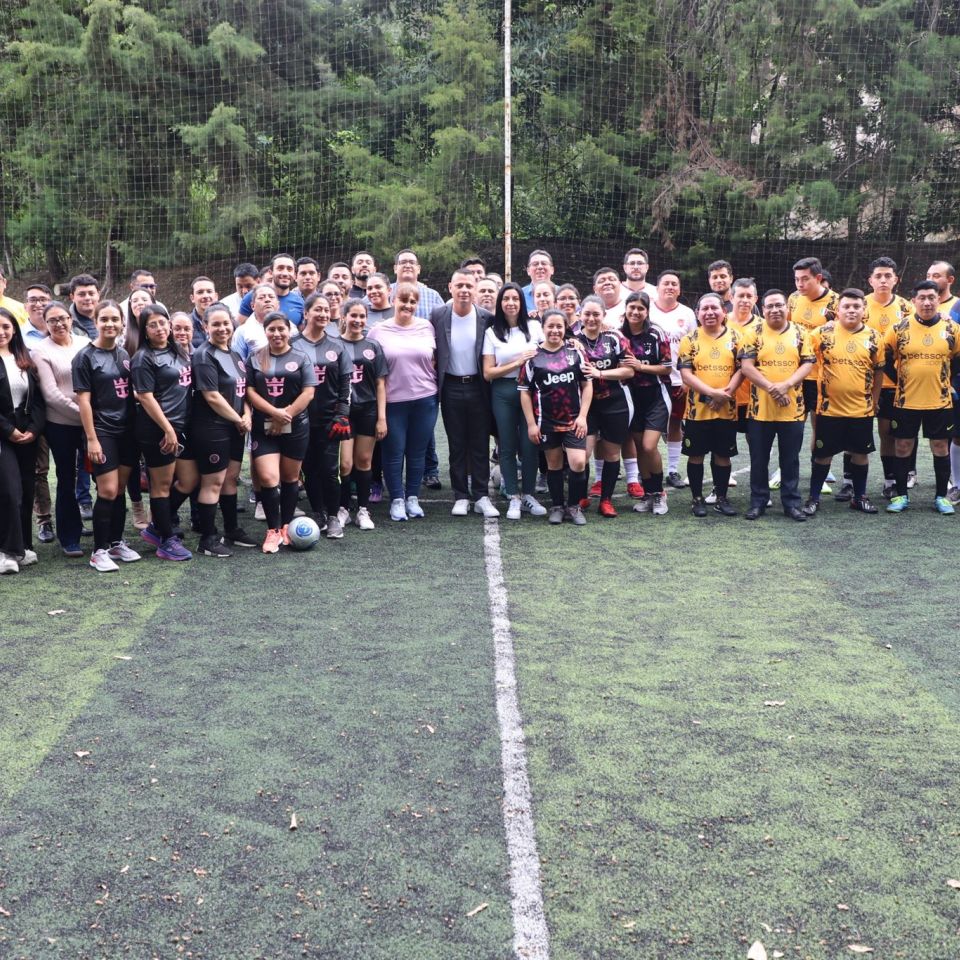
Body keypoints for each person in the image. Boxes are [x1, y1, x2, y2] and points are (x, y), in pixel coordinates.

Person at [72, 301, 142, 571]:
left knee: (120, 488)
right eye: (104, 319)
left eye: (115, 319)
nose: (110, 324)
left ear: (123, 322)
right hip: (102, 431)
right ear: (96, 322)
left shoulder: (124, 354)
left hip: (128, 431)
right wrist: (91, 438)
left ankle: (115, 543)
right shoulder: (84, 357)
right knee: (108, 489)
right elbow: (84, 401)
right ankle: (98, 551)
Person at [802, 288, 883, 517]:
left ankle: (859, 497)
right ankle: (813, 498)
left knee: (860, 453)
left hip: (861, 409)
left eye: (856, 306)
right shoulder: (821, 334)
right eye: (846, 306)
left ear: (864, 310)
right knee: (823, 455)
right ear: (837, 310)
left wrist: (875, 400)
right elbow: (804, 359)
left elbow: (878, 371)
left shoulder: (874, 337)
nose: (851, 310)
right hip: (829, 409)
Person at [883, 280, 960, 515]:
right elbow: (885, 358)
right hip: (906, 400)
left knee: (940, 446)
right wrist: (901, 380)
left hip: (940, 400)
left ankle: (941, 497)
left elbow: (958, 359)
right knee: (903, 446)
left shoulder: (952, 329)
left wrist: (945, 379)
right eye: (922, 298)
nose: (927, 302)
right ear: (914, 301)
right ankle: (901, 496)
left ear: (938, 300)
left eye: (931, 297)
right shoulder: (899, 328)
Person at [738, 289, 815, 521]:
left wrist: (787, 385)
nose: (774, 309)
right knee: (758, 459)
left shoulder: (801, 333)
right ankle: (758, 502)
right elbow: (747, 367)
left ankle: (791, 503)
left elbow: (807, 364)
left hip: (792, 410)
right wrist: (773, 388)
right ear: (763, 309)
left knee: (790, 459)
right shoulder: (752, 333)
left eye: (779, 305)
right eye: (769, 306)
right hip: (760, 410)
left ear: (787, 308)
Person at [245, 311, 317, 551]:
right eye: (271, 329)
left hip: (296, 426)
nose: (276, 333)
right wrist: (274, 413)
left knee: (289, 478)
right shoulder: (255, 357)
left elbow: (308, 392)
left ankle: (285, 527)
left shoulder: (301, 357)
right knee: (268, 478)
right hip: (264, 428)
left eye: (281, 329)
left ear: (289, 331)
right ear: (265, 331)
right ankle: (272, 530)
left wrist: (286, 415)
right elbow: (250, 392)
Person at [430, 269, 498, 518]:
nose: (464, 290)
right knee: (457, 443)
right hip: (450, 387)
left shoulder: (486, 318)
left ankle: (480, 495)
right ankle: (460, 496)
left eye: (469, 286)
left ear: (475, 288)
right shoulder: (438, 315)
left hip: (479, 387)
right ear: (450, 287)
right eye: (459, 285)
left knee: (480, 443)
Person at [131, 304, 197, 561]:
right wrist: (168, 429)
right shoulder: (143, 358)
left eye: (162, 322)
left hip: (181, 427)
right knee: (161, 486)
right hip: (157, 430)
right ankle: (166, 541)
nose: (159, 328)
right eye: (152, 325)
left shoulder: (178, 349)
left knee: (189, 480)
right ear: (144, 330)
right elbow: (145, 397)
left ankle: (156, 526)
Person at [368, 283, 438, 520]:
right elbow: (371, 367)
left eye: (412, 301)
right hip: (393, 402)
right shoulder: (378, 331)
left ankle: (412, 498)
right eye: (403, 300)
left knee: (417, 452)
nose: (408, 305)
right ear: (393, 300)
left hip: (425, 400)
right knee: (394, 452)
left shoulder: (427, 327)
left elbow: (435, 359)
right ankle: (397, 499)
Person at [190, 302, 255, 556]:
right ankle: (207, 539)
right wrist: (238, 419)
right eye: (215, 324)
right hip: (212, 428)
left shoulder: (235, 355)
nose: (222, 328)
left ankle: (232, 530)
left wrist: (246, 415)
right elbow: (212, 396)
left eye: (225, 323)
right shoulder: (203, 355)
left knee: (230, 478)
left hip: (235, 427)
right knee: (213, 482)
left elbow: (243, 391)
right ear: (205, 326)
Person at [518, 309, 593, 525]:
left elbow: (587, 385)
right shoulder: (533, 357)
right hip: (547, 422)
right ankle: (558, 506)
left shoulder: (575, 353)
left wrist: (583, 417)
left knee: (578, 462)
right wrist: (531, 424)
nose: (555, 330)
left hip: (573, 421)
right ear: (543, 328)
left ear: (565, 328)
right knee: (554, 464)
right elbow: (525, 392)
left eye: (559, 326)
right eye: (550, 326)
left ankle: (574, 507)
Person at [482, 282, 547, 520]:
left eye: (515, 299)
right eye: (506, 299)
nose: (511, 303)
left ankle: (528, 494)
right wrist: (517, 362)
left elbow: (550, 352)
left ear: (522, 302)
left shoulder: (534, 327)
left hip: (531, 390)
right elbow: (488, 372)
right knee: (507, 445)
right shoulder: (492, 332)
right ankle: (513, 496)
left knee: (530, 443)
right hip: (503, 391)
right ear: (500, 303)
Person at [294, 292, 353, 539]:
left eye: (326, 310)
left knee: (330, 470)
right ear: (306, 313)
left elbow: (345, 385)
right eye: (317, 309)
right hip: (301, 420)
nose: (322, 314)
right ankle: (317, 513)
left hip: (330, 420)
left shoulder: (337, 346)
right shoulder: (292, 344)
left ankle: (333, 516)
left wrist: (342, 415)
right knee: (309, 469)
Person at [31, 301, 89, 557]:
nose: (59, 324)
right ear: (45, 323)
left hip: (93, 423)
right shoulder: (40, 350)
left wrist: (92, 418)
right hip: (61, 425)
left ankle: (108, 534)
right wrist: (85, 415)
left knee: (101, 476)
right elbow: (51, 394)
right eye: (52, 320)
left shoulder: (85, 344)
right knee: (66, 478)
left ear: (70, 319)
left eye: (63, 318)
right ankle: (69, 536)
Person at [676, 293, 742, 517]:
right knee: (696, 455)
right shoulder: (690, 339)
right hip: (698, 410)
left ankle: (721, 498)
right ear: (697, 313)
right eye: (704, 309)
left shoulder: (736, 337)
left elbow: (742, 369)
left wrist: (726, 393)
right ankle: (697, 499)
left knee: (723, 455)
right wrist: (712, 393)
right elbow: (686, 374)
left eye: (714, 308)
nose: (710, 312)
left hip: (726, 409)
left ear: (724, 311)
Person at [574, 296, 634, 517]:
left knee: (611, 453)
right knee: (583, 454)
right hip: (585, 406)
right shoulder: (572, 340)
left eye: (596, 314)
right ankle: (581, 497)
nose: (591, 318)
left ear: (604, 315)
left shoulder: (615, 338)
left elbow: (629, 370)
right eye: (587, 314)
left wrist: (600, 373)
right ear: (580, 315)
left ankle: (606, 500)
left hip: (614, 402)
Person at [786, 257, 840, 494]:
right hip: (796, 375)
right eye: (797, 279)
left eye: (805, 279)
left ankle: (819, 470)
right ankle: (786, 469)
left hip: (822, 376)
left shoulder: (836, 302)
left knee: (820, 426)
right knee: (791, 425)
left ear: (818, 278)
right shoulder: (793, 299)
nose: (799, 284)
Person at [863, 257, 912, 499]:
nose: (883, 280)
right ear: (870, 280)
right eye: (878, 276)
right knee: (857, 432)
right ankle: (849, 482)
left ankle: (889, 481)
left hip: (893, 383)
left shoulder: (906, 307)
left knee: (887, 433)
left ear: (896, 280)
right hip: (861, 381)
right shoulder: (860, 304)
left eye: (888, 276)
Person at [0, 308, 44, 574]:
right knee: (9, 491)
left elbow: (38, 400)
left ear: (14, 330)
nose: (1, 332)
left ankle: (23, 546)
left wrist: (34, 429)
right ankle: (6, 551)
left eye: (6, 327)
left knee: (27, 490)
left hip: (27, 432)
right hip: (4, 433)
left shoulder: (23, 358)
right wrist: (8, 430)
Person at [338, 298, 388, 529]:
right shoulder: (334, 345)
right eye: (353, 315)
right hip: (344, 412)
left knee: (364, 460)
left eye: (362, 316)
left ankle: (363, 510)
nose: (357, 320)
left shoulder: (373, 346)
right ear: (344, 317)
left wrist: (381, 418)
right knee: (345, 464)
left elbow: (380, 384)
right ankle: (343, 509)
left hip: (368, 410)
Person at [620, 291, 672, 514]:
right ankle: (649, 494)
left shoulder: (656, 333)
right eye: (632, 307)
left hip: (656, 396)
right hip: (632, 398)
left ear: (647, 311)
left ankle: (659, 493)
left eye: (640, 308)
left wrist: (640, 366)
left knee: (650, 446)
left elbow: (667, 367)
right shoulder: (618, 334)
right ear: (625, 309)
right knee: (640, 447)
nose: (635, 312)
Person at [648, 270, 696, 487]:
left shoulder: (687, 313)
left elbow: (694, 348)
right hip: (652, 381)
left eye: (674, 284)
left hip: (678, 381)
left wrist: (687, 380)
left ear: (679, 289)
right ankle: (644, 469)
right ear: (657, 288)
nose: (670, 287)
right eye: (665, 283)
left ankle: (673, 470)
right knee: (648, 428)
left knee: (675, 424)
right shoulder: (648, 310)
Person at [22, 284, 55, 543]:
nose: (38, 304)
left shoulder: (63, 330)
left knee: (73, 468)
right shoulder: (17, 336)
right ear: (25, 306)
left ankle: (77, 513)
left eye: (43, 299)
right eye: (33, 300)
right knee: (39, 469)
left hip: (65, 411)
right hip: (35, 412)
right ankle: (44, 520)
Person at [237, 254, 304, 327]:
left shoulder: (300, 303)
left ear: (295, 275)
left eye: (289, 269)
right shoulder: (253, 296)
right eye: (280, 268)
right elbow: (240, 328)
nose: (285, 273)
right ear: (271, 272)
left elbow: (301, 332)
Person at [232, 283, 281, 362]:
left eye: (271, 297)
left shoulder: (290, 328)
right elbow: (237, 362)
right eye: (261, 297)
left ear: (278, 305)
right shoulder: (242, 332)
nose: (267, 300)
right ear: (252, 306)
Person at [392, 249, 444, 319]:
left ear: (418, 269)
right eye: (403, 262)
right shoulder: (386, 293)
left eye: (412, 262)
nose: (408, 265)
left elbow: (443, 321)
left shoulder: (433, 296)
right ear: (395, 268)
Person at [187, 276, 219, 347]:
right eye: (200, 292)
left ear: (216, 296)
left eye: (209, 291)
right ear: (192, 298)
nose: (205, 296)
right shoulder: (186, 325)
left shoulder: (227, 323)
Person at [68, 274, 100, 340]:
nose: (87, 298)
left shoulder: (111, 317)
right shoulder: (67, 323)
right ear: (72, 297)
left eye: (91, 294)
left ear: (98, 295)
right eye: (82, 294)